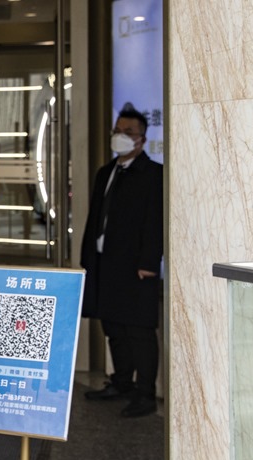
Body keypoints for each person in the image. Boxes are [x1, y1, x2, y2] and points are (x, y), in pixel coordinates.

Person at [80, 107, 164, 418]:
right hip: (105, 263)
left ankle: (145, 393)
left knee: (139, 329)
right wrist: (87, 258)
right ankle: (121, 382)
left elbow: (155, 222)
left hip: (136, 266)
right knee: (113, 325)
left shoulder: (154, 174)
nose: (120, 137)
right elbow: (95, 219)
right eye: (118, 130)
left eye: (128, 132)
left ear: (142, 139)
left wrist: (149, 261)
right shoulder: (107, 171)